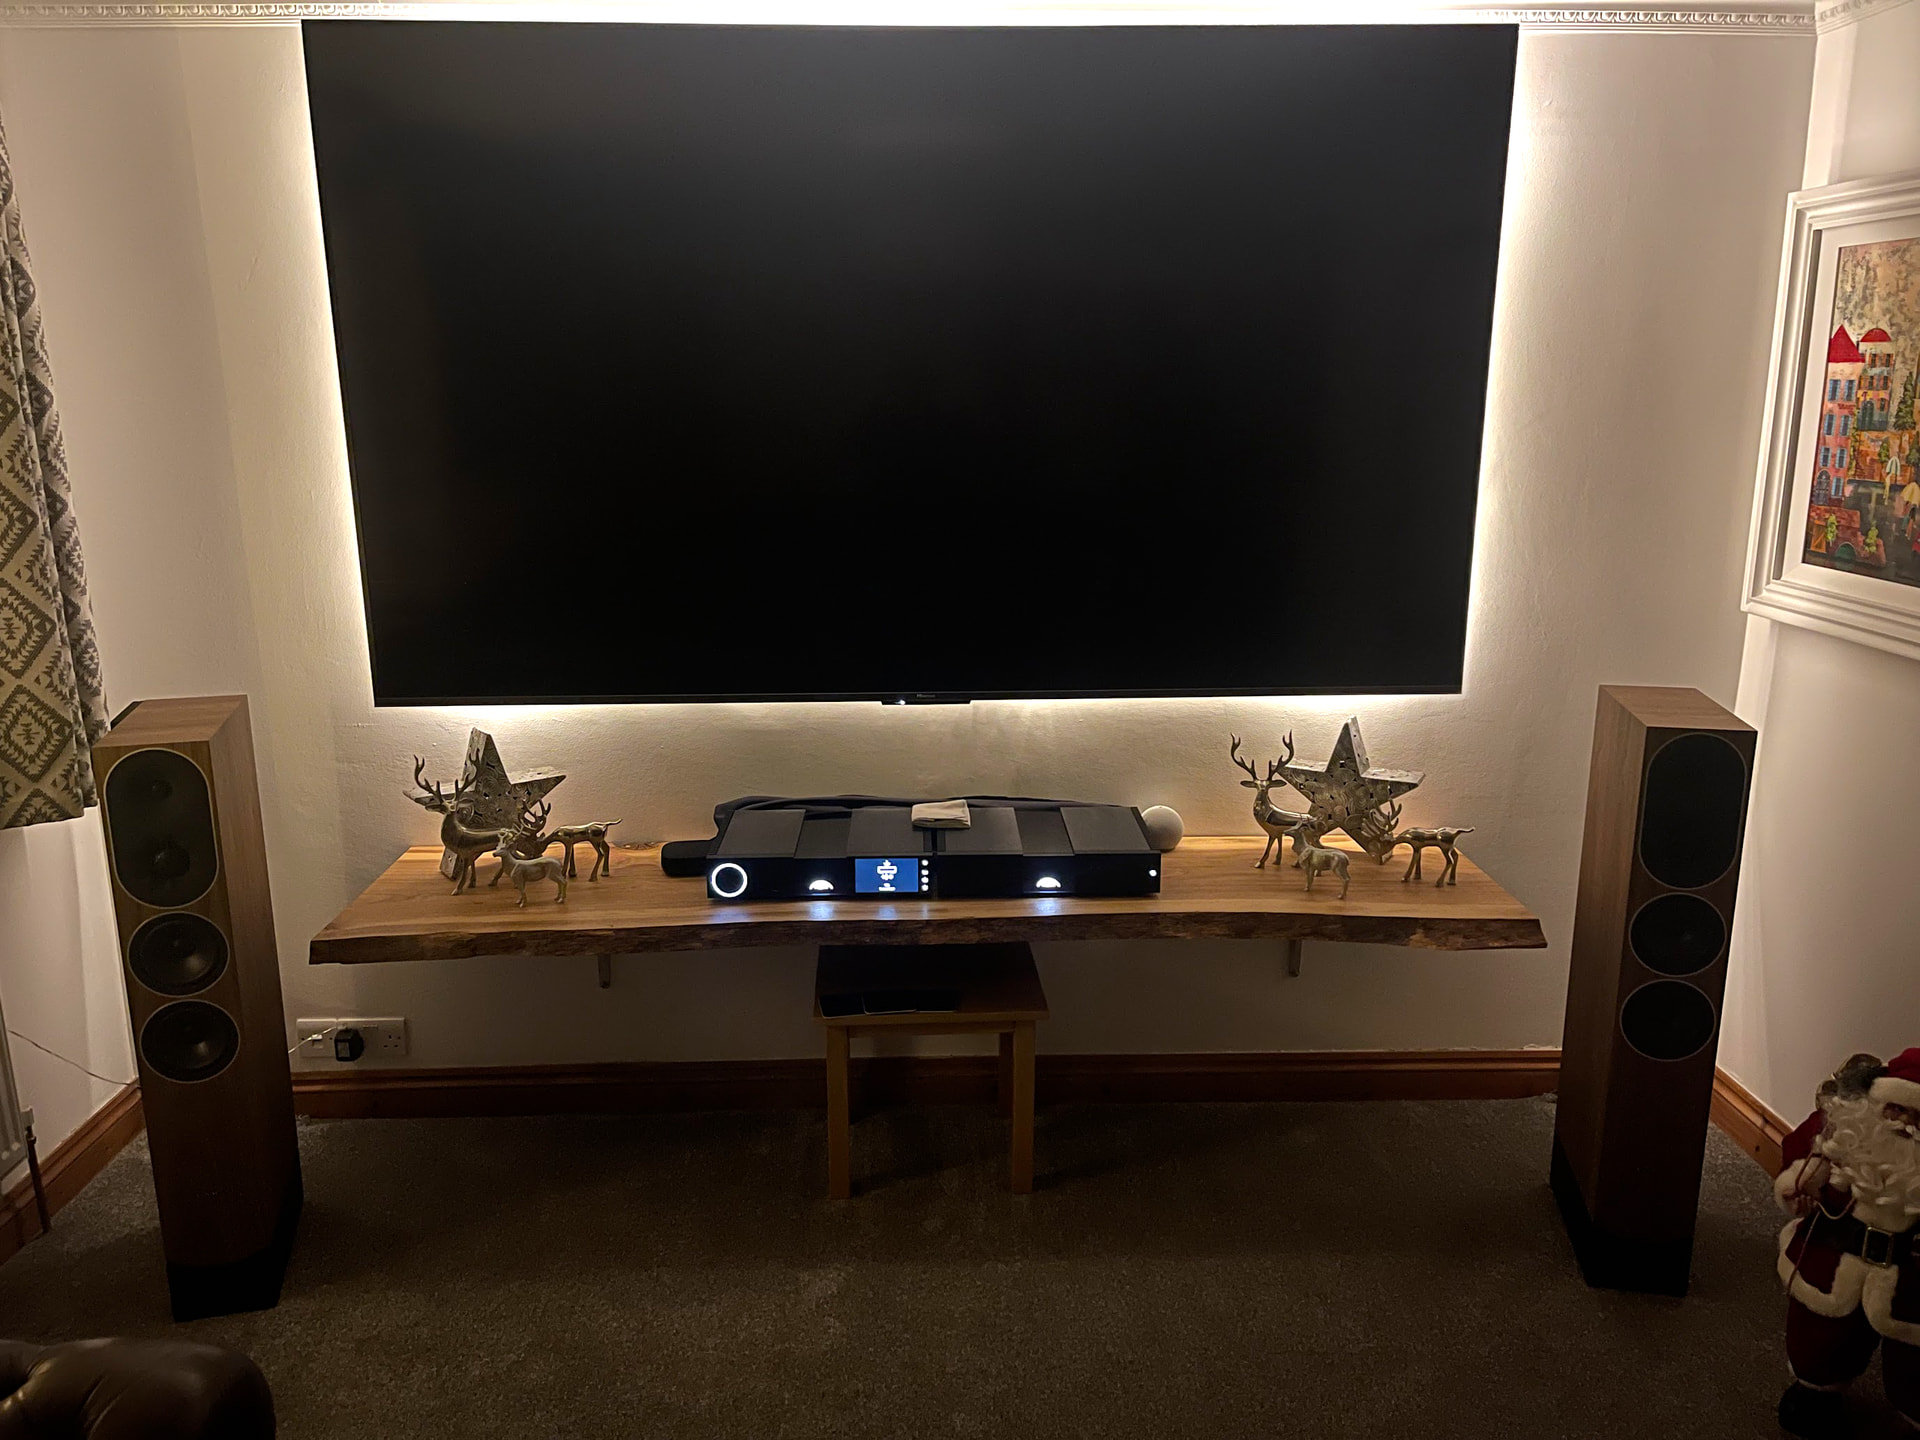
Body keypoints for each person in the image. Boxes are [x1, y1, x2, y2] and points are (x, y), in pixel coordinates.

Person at [1775, 1048, 1920, 1437]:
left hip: (1911, 1281)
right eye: (1896, 1109)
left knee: (1915, 1360)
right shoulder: (1845, 1133)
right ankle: (1817, 1389)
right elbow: (1799, 1150)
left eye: (1917, 1117)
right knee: (1819, 1338)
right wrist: (1802, 1186)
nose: (1905, 1123)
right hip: (1836, 1258)